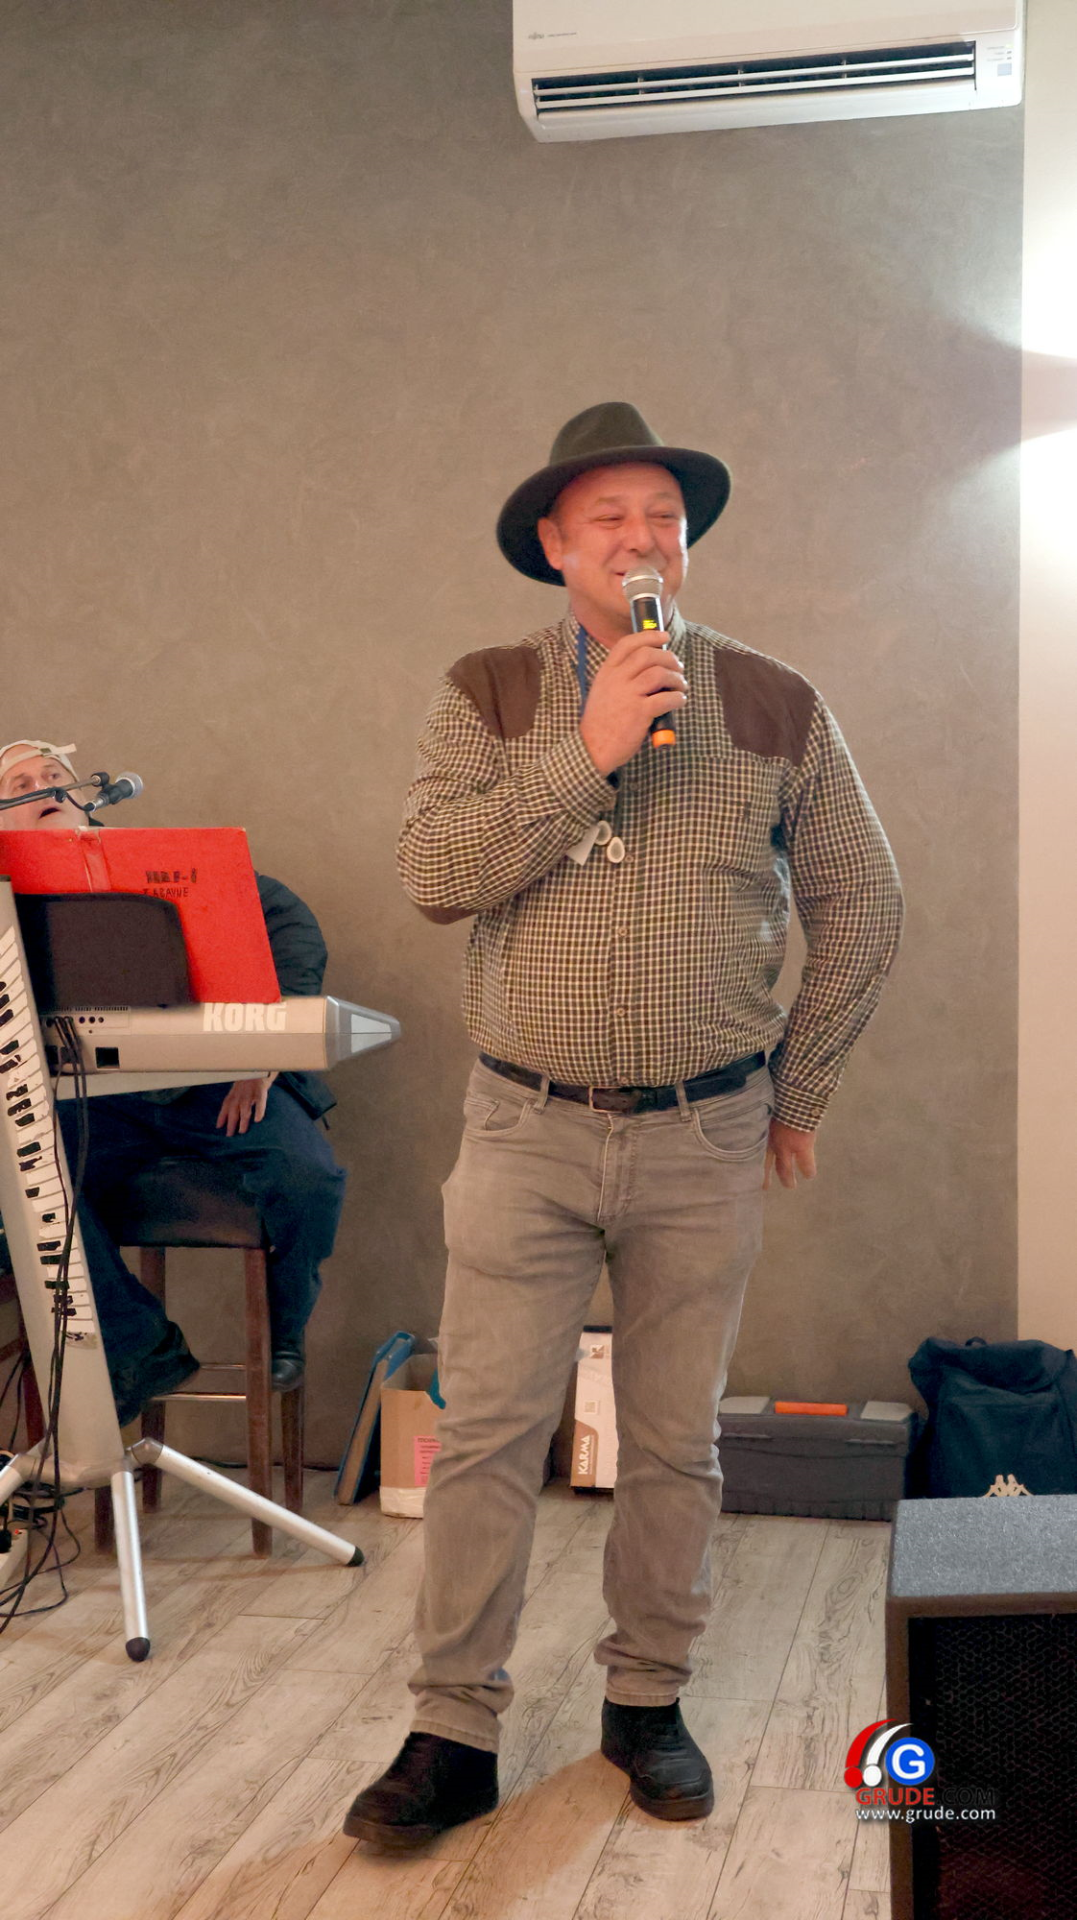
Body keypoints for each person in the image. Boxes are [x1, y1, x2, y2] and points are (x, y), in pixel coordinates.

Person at [344, 402, 903, 1850]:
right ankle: (452, 1731)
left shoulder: (773, 699)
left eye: (666, 516)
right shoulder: (484, 692)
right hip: (523, 1129)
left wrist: (801, 1087)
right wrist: (585, 751)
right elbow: (434, 873)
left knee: (673, 1443)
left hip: (702, 1137)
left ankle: (646, 1703)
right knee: (487, 1439)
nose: (643, 538)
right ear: (554, 544)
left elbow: (862, 898)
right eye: (611, 517)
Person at [0, 738, 346, 1420]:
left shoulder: (158, 861)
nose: (46, 788)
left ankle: (286, 1328)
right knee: (17, 1177)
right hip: (92, 1102)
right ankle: (137, 1345)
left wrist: (262, 1051)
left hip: (219, 1089)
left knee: (309, 1175)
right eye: (22, 784)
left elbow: (288, 925)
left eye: (55, 775)